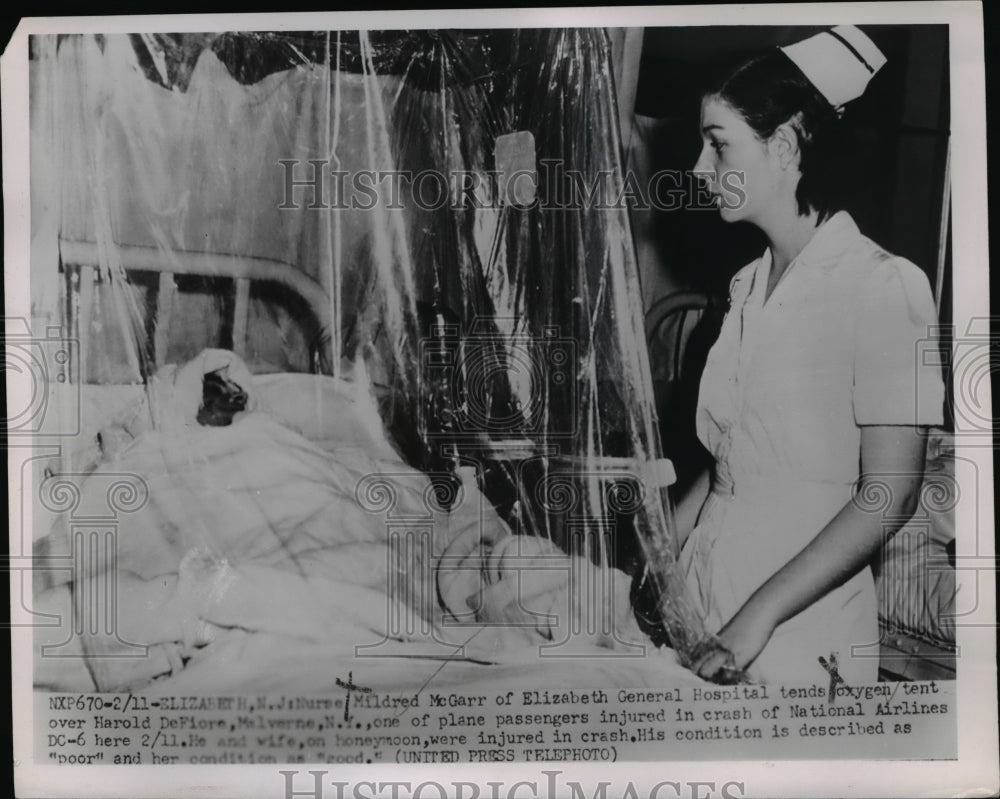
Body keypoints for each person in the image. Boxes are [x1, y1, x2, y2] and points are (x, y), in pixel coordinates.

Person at [674, 26, 946, 684]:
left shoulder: (886, 286)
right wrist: (652, 557)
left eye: (716, 146)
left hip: (797, 632)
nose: (696, 171)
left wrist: (755, 620)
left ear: (788, 145)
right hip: (704, 599)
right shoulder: (745, 287)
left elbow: (890, 494)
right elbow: (731, 462)